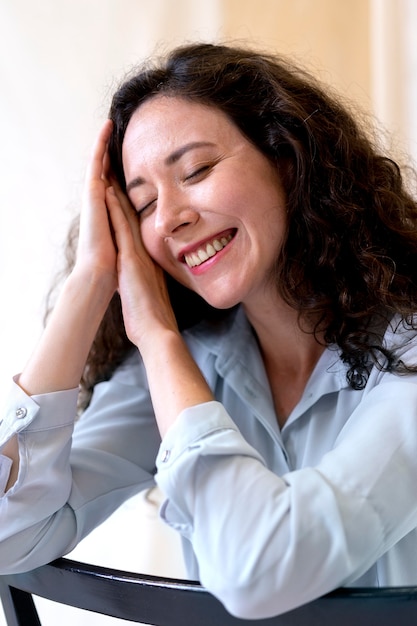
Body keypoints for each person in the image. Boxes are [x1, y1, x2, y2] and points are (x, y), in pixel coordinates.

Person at [1, 41, 417, 619]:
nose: (170, 217)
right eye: (143, 205)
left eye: (195, 171)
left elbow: (259, 571)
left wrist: (158, 337)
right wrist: (89, 284)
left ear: (287, 160)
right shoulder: (188, 362)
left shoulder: (409, 359)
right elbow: (7, 532)